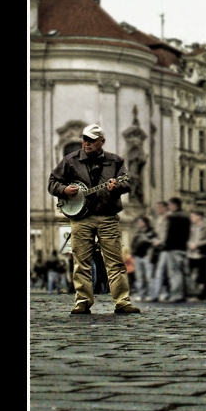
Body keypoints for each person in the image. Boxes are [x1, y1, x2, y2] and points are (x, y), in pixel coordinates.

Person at [47, 123, 140, 314]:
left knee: (115, 261)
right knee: (81, 261)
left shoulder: (116, 161)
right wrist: (64, 190)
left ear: (101, 142)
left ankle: (122, 301)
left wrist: (118, 187)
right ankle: (82, 301)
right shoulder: (70, 160)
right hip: (81, 218)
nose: (86, 143)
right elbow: (52, 182)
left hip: (108, 216)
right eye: (84, 139)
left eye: (91, 140)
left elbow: (128, 183)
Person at [164, 197, 191, 303]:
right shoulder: (185, 217)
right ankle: (183, 293)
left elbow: (170, 234)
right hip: (182, 247)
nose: (169, 207)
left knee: (175, 272)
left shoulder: (174, 218)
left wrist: (166, 244)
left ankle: (177, 294)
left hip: (174, 247)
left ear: (174, 205)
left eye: (170, 205)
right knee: (182, 271)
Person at [187, 210, 206, 300]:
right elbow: (187, 238)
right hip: (191, 254)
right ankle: (192, 292)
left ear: (199, 216)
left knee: (203, 274)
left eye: (193, 216)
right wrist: (189, 244)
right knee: (190, 273)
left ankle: (203, 294)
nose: (191, 218)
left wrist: (199, 244)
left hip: (203, 254)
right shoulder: (191, 227)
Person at [131, 215, 156, 300]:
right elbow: (133, 244)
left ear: (146, 223)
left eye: (141, 222)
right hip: (138, 256)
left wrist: (150, 254)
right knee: (140, 277)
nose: (139, 224)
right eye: (138, 222)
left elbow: (153, 245)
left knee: (149, 277)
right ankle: (141, 294)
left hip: (147, 256)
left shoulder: (151, 232)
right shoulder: (138, 233)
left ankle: (151, 294)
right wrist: (133, 254)